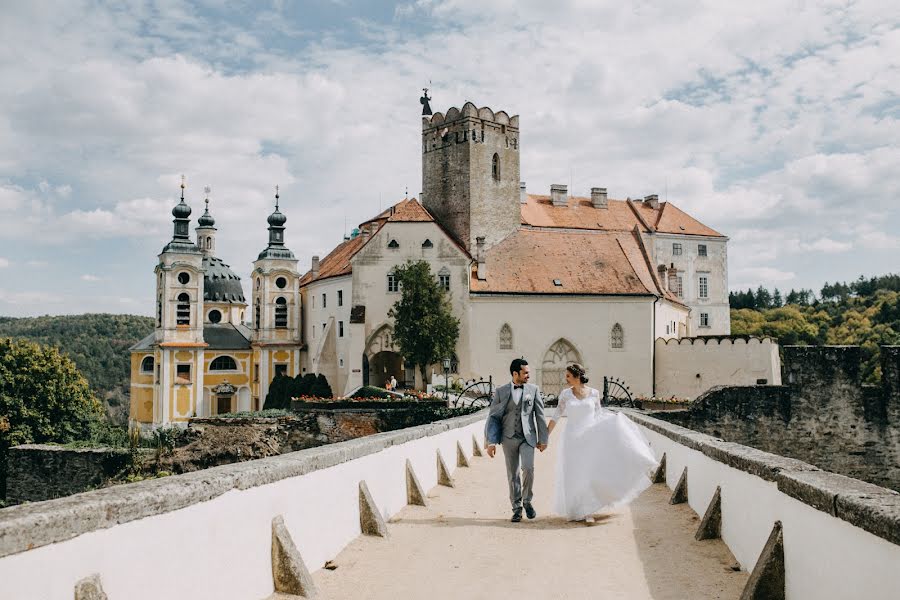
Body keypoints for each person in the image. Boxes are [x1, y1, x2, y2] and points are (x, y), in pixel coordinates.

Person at [548, 363, 658, 523]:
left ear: (577, 377)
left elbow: (598, 415)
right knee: (574, 474)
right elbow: (556, 415)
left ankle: (587, 511)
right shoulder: (565, 394)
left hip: (590, 438)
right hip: (572, 440)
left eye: (568, 376)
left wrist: (613, 424)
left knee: (589, 472)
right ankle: (576, 508)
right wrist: (545, 436)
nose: (566, 379)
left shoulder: (594, 393)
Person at [485, 358, 550, 522]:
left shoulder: (533, 390)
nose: (528, 375)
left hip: (527, 438)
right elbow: (493, 417)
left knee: (528, 469)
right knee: (512, 474)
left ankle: (527, 501)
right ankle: (516, 509)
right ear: (515, 374)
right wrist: (491, 442)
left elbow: (540, 416)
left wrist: (543, 439)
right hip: (508, 438)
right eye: (525, 372)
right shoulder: (501, 391)